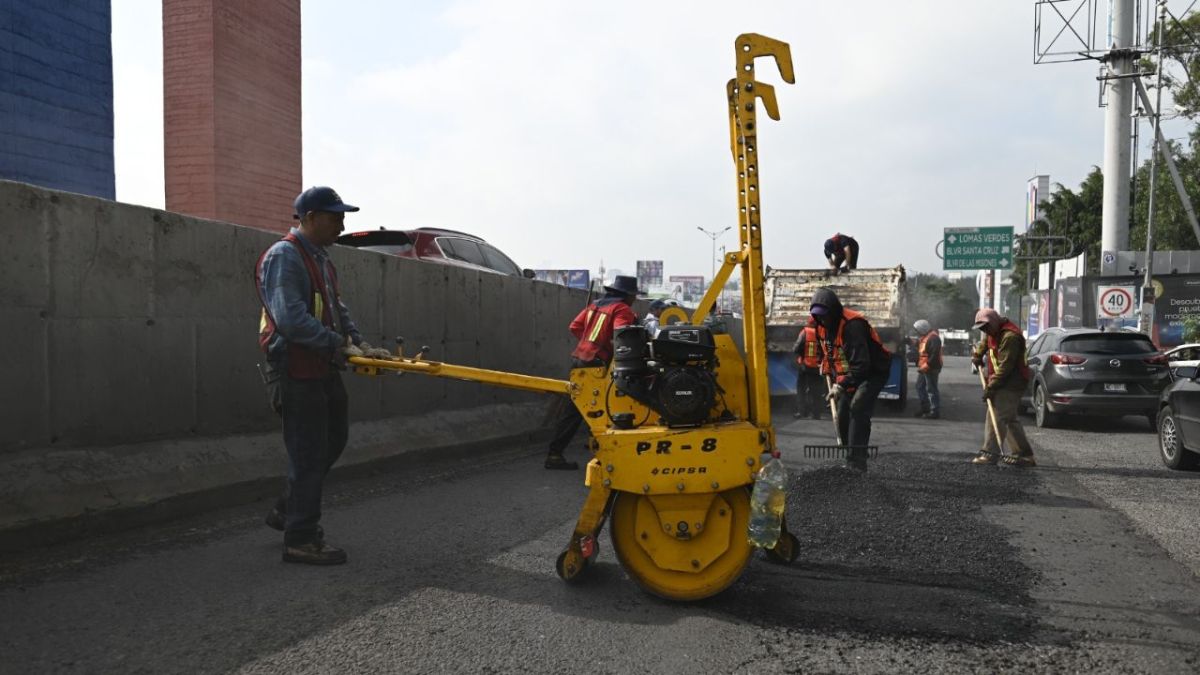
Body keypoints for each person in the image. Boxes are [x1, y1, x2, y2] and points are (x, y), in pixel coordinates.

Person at [255, 186, 389, 565]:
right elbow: (290, 319)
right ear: (309, 218)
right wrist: (338, 345)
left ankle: (288, 509)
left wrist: (359, 343)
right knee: (309, 452)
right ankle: (301, 537)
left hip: (322, 364)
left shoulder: (322, 260)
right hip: (295, 368)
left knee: (333, 440)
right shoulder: (286, 256)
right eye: (335, 217)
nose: (341, 225)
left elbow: (336, 309)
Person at [545, 275, 641, 470]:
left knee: (576, 410)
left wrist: (590, 341)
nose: (635, 299)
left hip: (580, 360)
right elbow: (622, 334)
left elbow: (575, 327)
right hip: (596, 364)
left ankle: (557, 453)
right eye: (634, 296)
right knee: (605, 407)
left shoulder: (594, 306)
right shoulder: (622, 309)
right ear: (628, 295)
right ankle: (606, 455)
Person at [810, 287, 891, 471]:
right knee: (842, 411)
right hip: (851, 373)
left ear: (834, 311)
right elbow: (828, 351)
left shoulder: (853, 326)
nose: (822, 319)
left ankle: (856, 463)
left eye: (825, 315)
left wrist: (841, 385)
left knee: (858, 406)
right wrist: (824, 365)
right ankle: (855, 449)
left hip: (873, 371)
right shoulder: (821, 327)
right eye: (818, 316)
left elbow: (862, 365)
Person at [970, 308, 1036, 467]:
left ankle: (990, 453)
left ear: (993, 321)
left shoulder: (1010, 337)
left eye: (985, 327)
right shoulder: (993, 330)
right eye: (982, 328)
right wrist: (978, 355)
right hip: (1003, 380)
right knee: (1010, 418)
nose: (984, 330)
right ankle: (1024, 455)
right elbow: (985, 342)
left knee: (997, 415)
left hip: (1012, 381)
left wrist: (991, 387)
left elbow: (1005, 367)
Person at [791, 318, 826, 419]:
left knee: (801, 389)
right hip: (819, 367)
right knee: (816, 391)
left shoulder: (805, 332)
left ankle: (802, 412)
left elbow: (796, 349)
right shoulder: (823, 333)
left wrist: (801, 355)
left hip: (805, 367)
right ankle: (816, 414)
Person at [912, 319, 943, 419]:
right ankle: (925, 408)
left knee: (931, 389)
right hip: (925, 367)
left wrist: (926, 367)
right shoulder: (925, 337)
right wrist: (908, 341)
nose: (917, 332)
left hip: (931, 368)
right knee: (919, 386)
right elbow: (920, 346)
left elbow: (934, 356)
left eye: (918, 330)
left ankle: (934, 411)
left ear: (923, 329)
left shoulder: (934, 338)